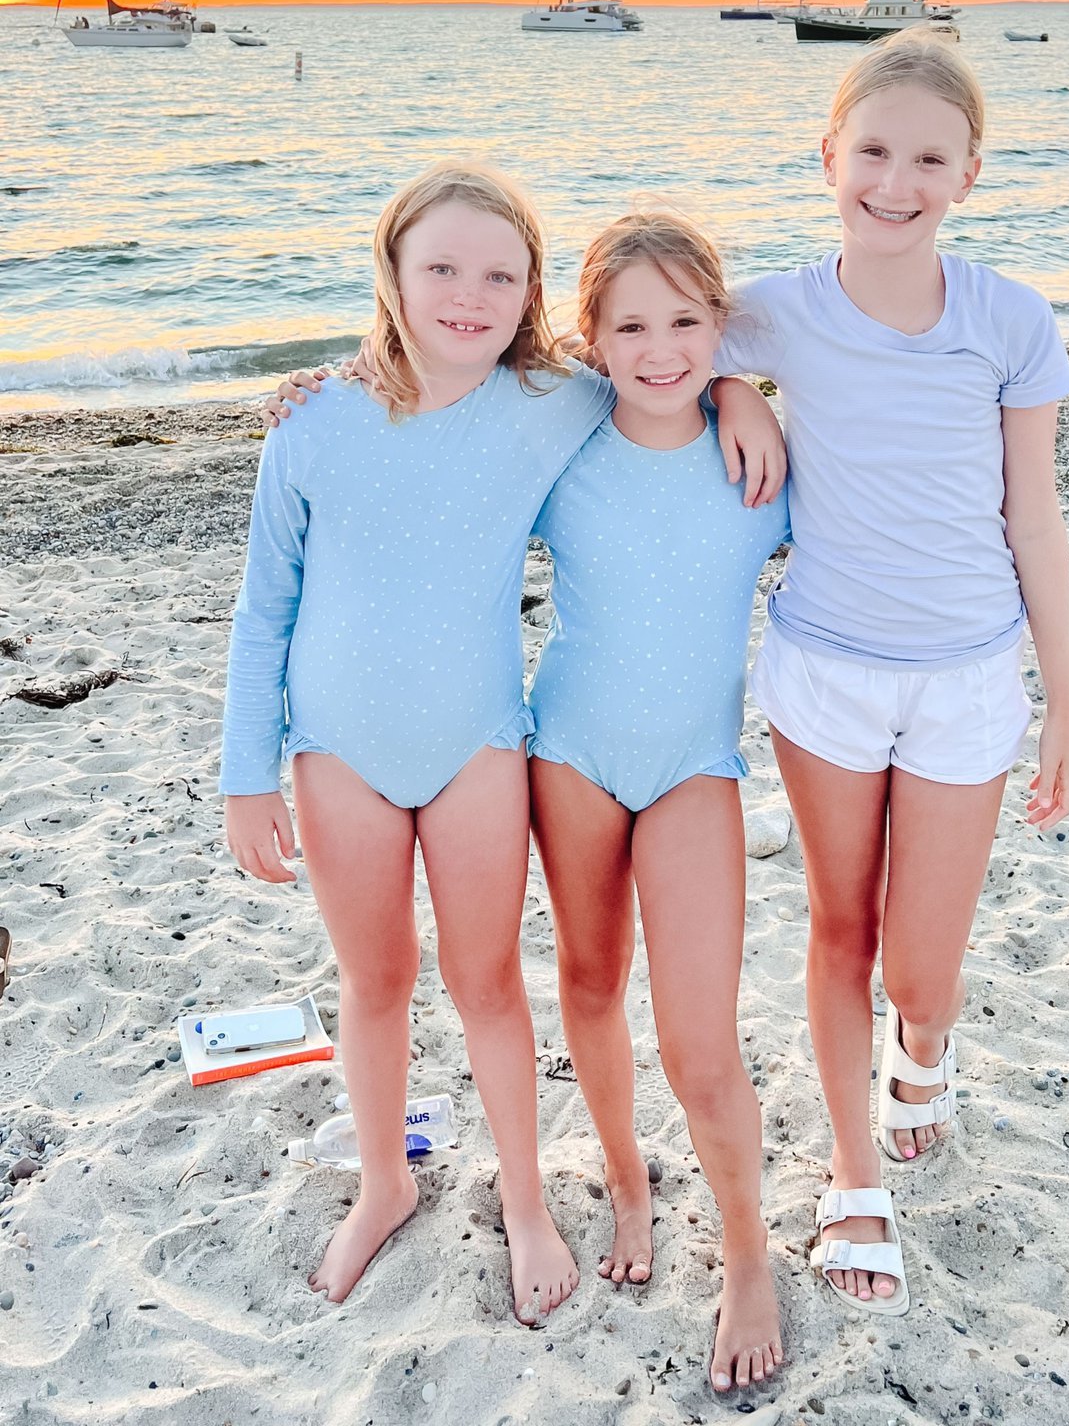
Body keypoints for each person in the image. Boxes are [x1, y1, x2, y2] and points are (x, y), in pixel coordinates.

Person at [229, 164, 784, 1320]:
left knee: (488, 981)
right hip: (335, 749)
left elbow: (662, 361)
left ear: (533, 290)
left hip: (484, 745)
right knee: (374, 978)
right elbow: (262, 610)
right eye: (440, 267)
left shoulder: (553, 401)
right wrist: (249, 773)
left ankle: (525, 1197)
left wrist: (741, 390)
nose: (467, 295)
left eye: (498, 272)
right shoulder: (315, 424)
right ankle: (382, 1182)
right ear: (390, 272)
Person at [713, 29, 1069, 1316]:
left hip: (968, 679)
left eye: (929, 156)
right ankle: (854, 1166)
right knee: (840, 923)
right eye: (873, 149)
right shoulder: (770, 310)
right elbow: (629, 339)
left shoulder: (1011, 322)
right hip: (824, 669)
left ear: (970, 173)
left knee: (922, 967)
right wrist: (732, 393)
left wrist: (1064, 706)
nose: (896, 179)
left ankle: (924, 1047)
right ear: (829, 158)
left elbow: (1035, 518)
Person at [528, 208, 789, 1393]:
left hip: (694, 765)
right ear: (589, 336)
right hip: (570, 753)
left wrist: (745, 392)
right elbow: (432, 414)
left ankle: (746, 1253)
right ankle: (628, 1180)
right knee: (588, 982)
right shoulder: (554, 439)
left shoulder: (760, 458)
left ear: (720, 326)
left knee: (700, 1039)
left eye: (687, 320)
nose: (660, 346)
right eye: (630, 324)